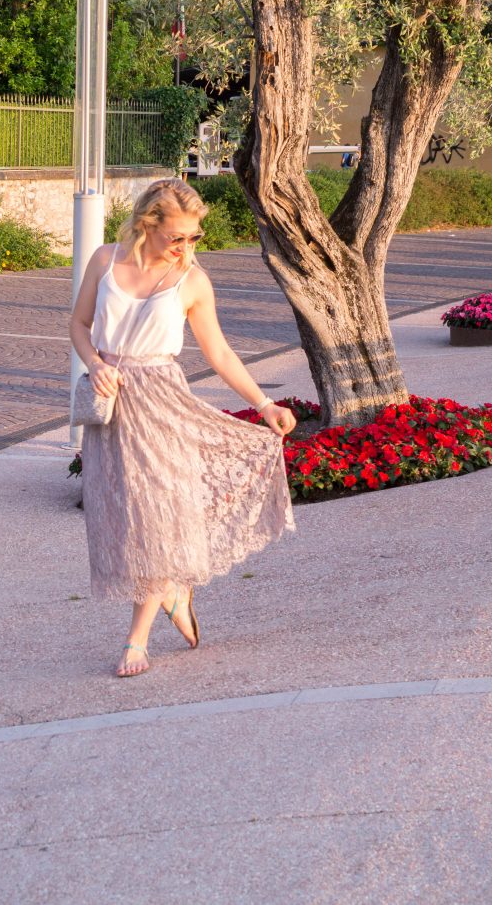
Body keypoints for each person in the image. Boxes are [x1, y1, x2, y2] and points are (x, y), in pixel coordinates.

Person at [69, 178, 296, 678]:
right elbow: (79, 325)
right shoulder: (106, 261)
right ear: (147, 225)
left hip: (163, 403)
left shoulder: (192, 280)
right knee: (124, 516)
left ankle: (136, 640)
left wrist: (264, 405)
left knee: (156, 517)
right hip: (112, 406)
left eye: (194, 237)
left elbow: (218, 353)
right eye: (177, 236)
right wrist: (95, 363)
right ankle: (172, 588)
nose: (186, 247)